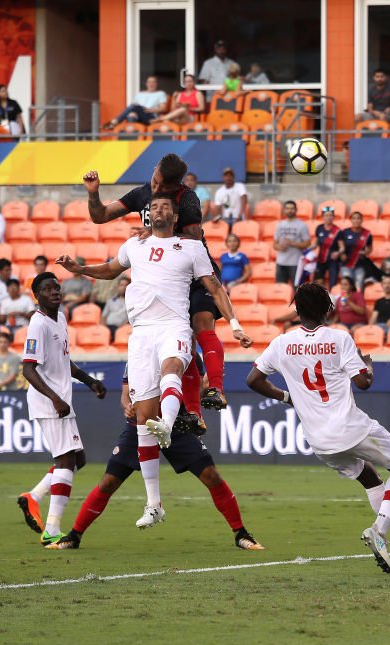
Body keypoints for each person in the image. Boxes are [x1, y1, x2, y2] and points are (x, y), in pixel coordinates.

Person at [57, 193, 251, 529]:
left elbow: (215, 287)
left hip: (173, 324)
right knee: (144, 415)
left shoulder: (191, 248)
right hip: (141, 332)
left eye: (166, 207)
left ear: (175, 218)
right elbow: (110, 270)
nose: (159, 210)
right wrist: (80, 269)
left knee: (172, 367)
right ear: (147, 216)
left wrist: (235, 324)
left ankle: (170, 421)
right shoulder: (134, 246)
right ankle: (153, 504)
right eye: (154, 207)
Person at [247, 281, 390, 573]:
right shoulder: (339, 339)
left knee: (373, 482)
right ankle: (378, 528)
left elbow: (253, 380)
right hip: (350, 427)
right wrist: (368, 365)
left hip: (319, 440)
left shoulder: (281, 343)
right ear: (327, 309)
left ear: (297, 311)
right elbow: (363, 383)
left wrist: (287, 397)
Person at [47, 372, 264, 551]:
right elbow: (126, 395)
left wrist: (201, 391)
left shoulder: (183, 350)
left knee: (211, 475)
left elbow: (196, 390)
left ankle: (241, 533)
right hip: (139, 426)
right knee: (109, 482)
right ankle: (74, 535)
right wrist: (127, 406)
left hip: (176, 425)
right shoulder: (138, 350)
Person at [83, 156, 232, 413]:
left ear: (173, 187)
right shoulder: (142, 193)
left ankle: (215, 388)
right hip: (163, 279)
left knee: (201, 326)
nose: (155, 186)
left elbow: (194, 238)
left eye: (160, 184)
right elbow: (100, 216)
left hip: (194, 274)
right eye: (154, 179)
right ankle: (192, 411)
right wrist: (94, 195)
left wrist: (153, 232)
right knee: (179, 346)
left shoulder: (187, 199)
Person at [19, 272, 108, 546]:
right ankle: (52, 529)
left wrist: (89, 380)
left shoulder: (60, 318)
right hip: (50, 403)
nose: (55, 292)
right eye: (47, 289)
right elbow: (28, 368)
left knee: (77, 459)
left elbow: (64, 361)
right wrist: (55, 398)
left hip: (61, 401)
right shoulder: (38, 324)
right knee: (66, 462)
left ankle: (32, 497)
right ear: (38, 295)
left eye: (57, 287)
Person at [335, 212, 377, 290]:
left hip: (360, 265)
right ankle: (345, 302)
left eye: (358, 218)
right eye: (354, 218)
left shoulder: (367, 234)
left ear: (361, 220)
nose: (356, 220)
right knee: (346, 286)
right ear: (351, 220)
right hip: (346, 264)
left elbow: (369, 249)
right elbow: (340, 246)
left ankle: (358, 302)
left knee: (359, 287)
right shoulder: (344, 232)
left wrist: (365, 253)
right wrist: (341, 254)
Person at [274, 200, 311, 284]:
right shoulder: (280, 225)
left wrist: (292, 243)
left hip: (296, 263)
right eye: (287, 208)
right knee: (281, 289)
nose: (289, 210)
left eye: (292, 208)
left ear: (296, 210)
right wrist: (279, 247)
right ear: (284, 210)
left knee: (297, 290)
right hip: (281, 262)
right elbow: (274, 244)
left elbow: (308, 243)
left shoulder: (302, 225)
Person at [314, 206, 345, 287]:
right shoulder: (319, 228)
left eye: (330, 215)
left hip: (333, 260)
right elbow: (315, 244)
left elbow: (342, 247)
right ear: (323, 217)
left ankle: (331, 298)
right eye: (326, 215)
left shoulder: (337, 230)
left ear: (333, 217)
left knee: (333, 283)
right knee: (317, 282)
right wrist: (307, 250)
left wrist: (338, 253)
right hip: (321, 259)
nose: (328, 217)